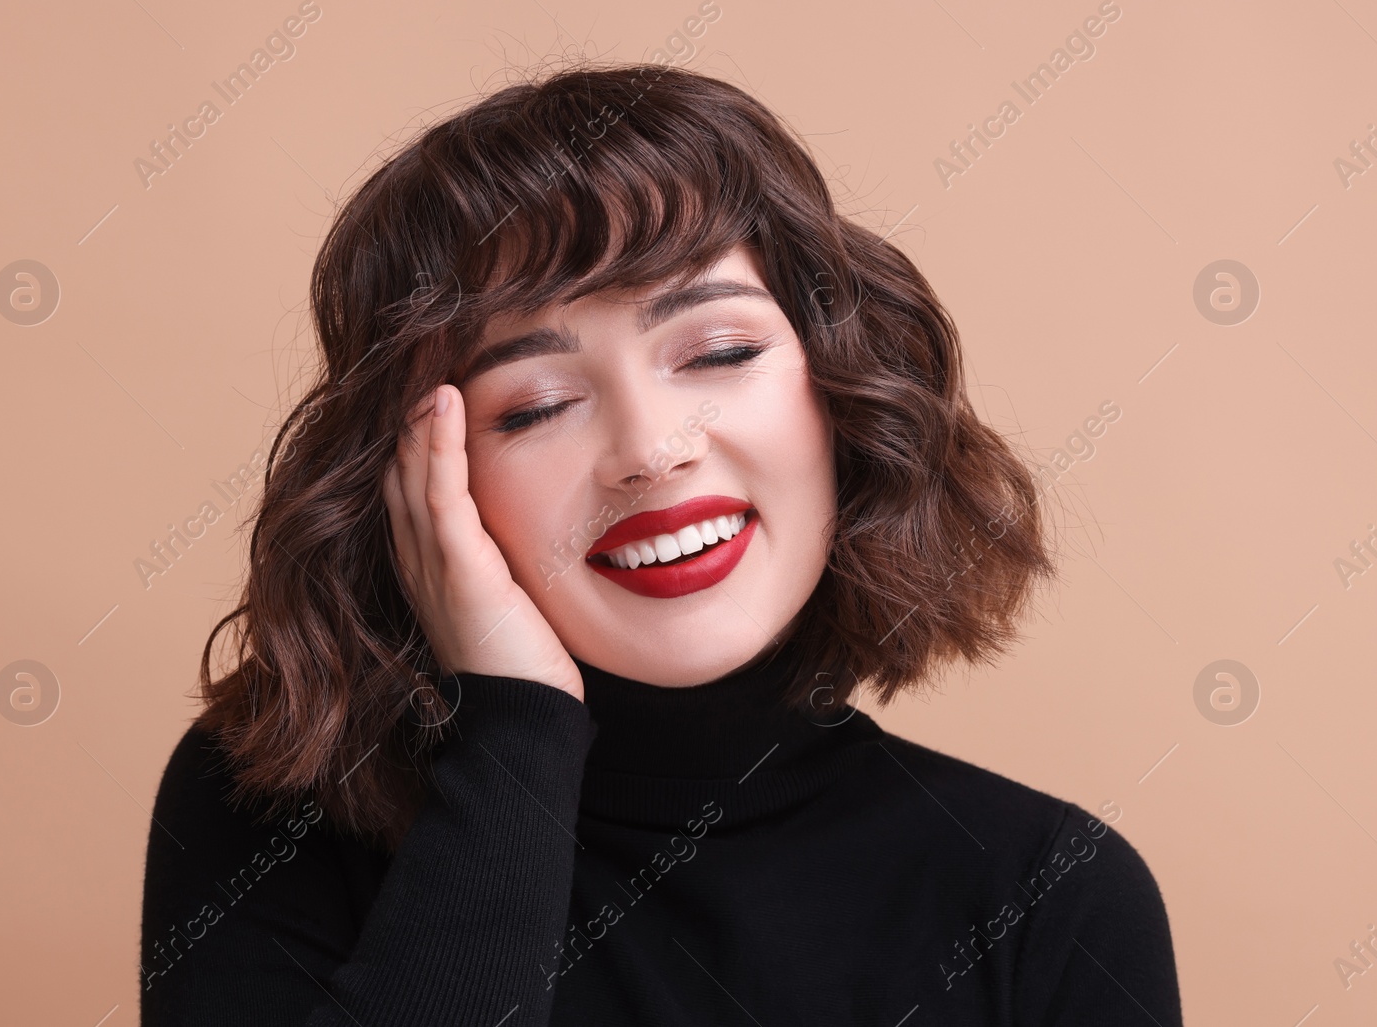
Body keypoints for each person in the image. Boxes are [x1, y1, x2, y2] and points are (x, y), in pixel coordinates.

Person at [139, 62, 1184, 1026]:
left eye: (720, 349)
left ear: (842, 389)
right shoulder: (266, 816)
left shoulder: (1050, 893)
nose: (650, 450)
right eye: (536, 405)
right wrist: (513, 735)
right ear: (418, 477)